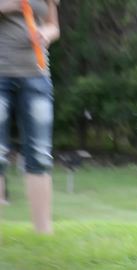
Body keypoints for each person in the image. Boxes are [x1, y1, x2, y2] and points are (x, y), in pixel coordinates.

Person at [0, 0, 60, 234]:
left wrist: (46, 33)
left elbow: (53, 24)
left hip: (37, 76)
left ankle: (43, 233)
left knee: (39, 155)